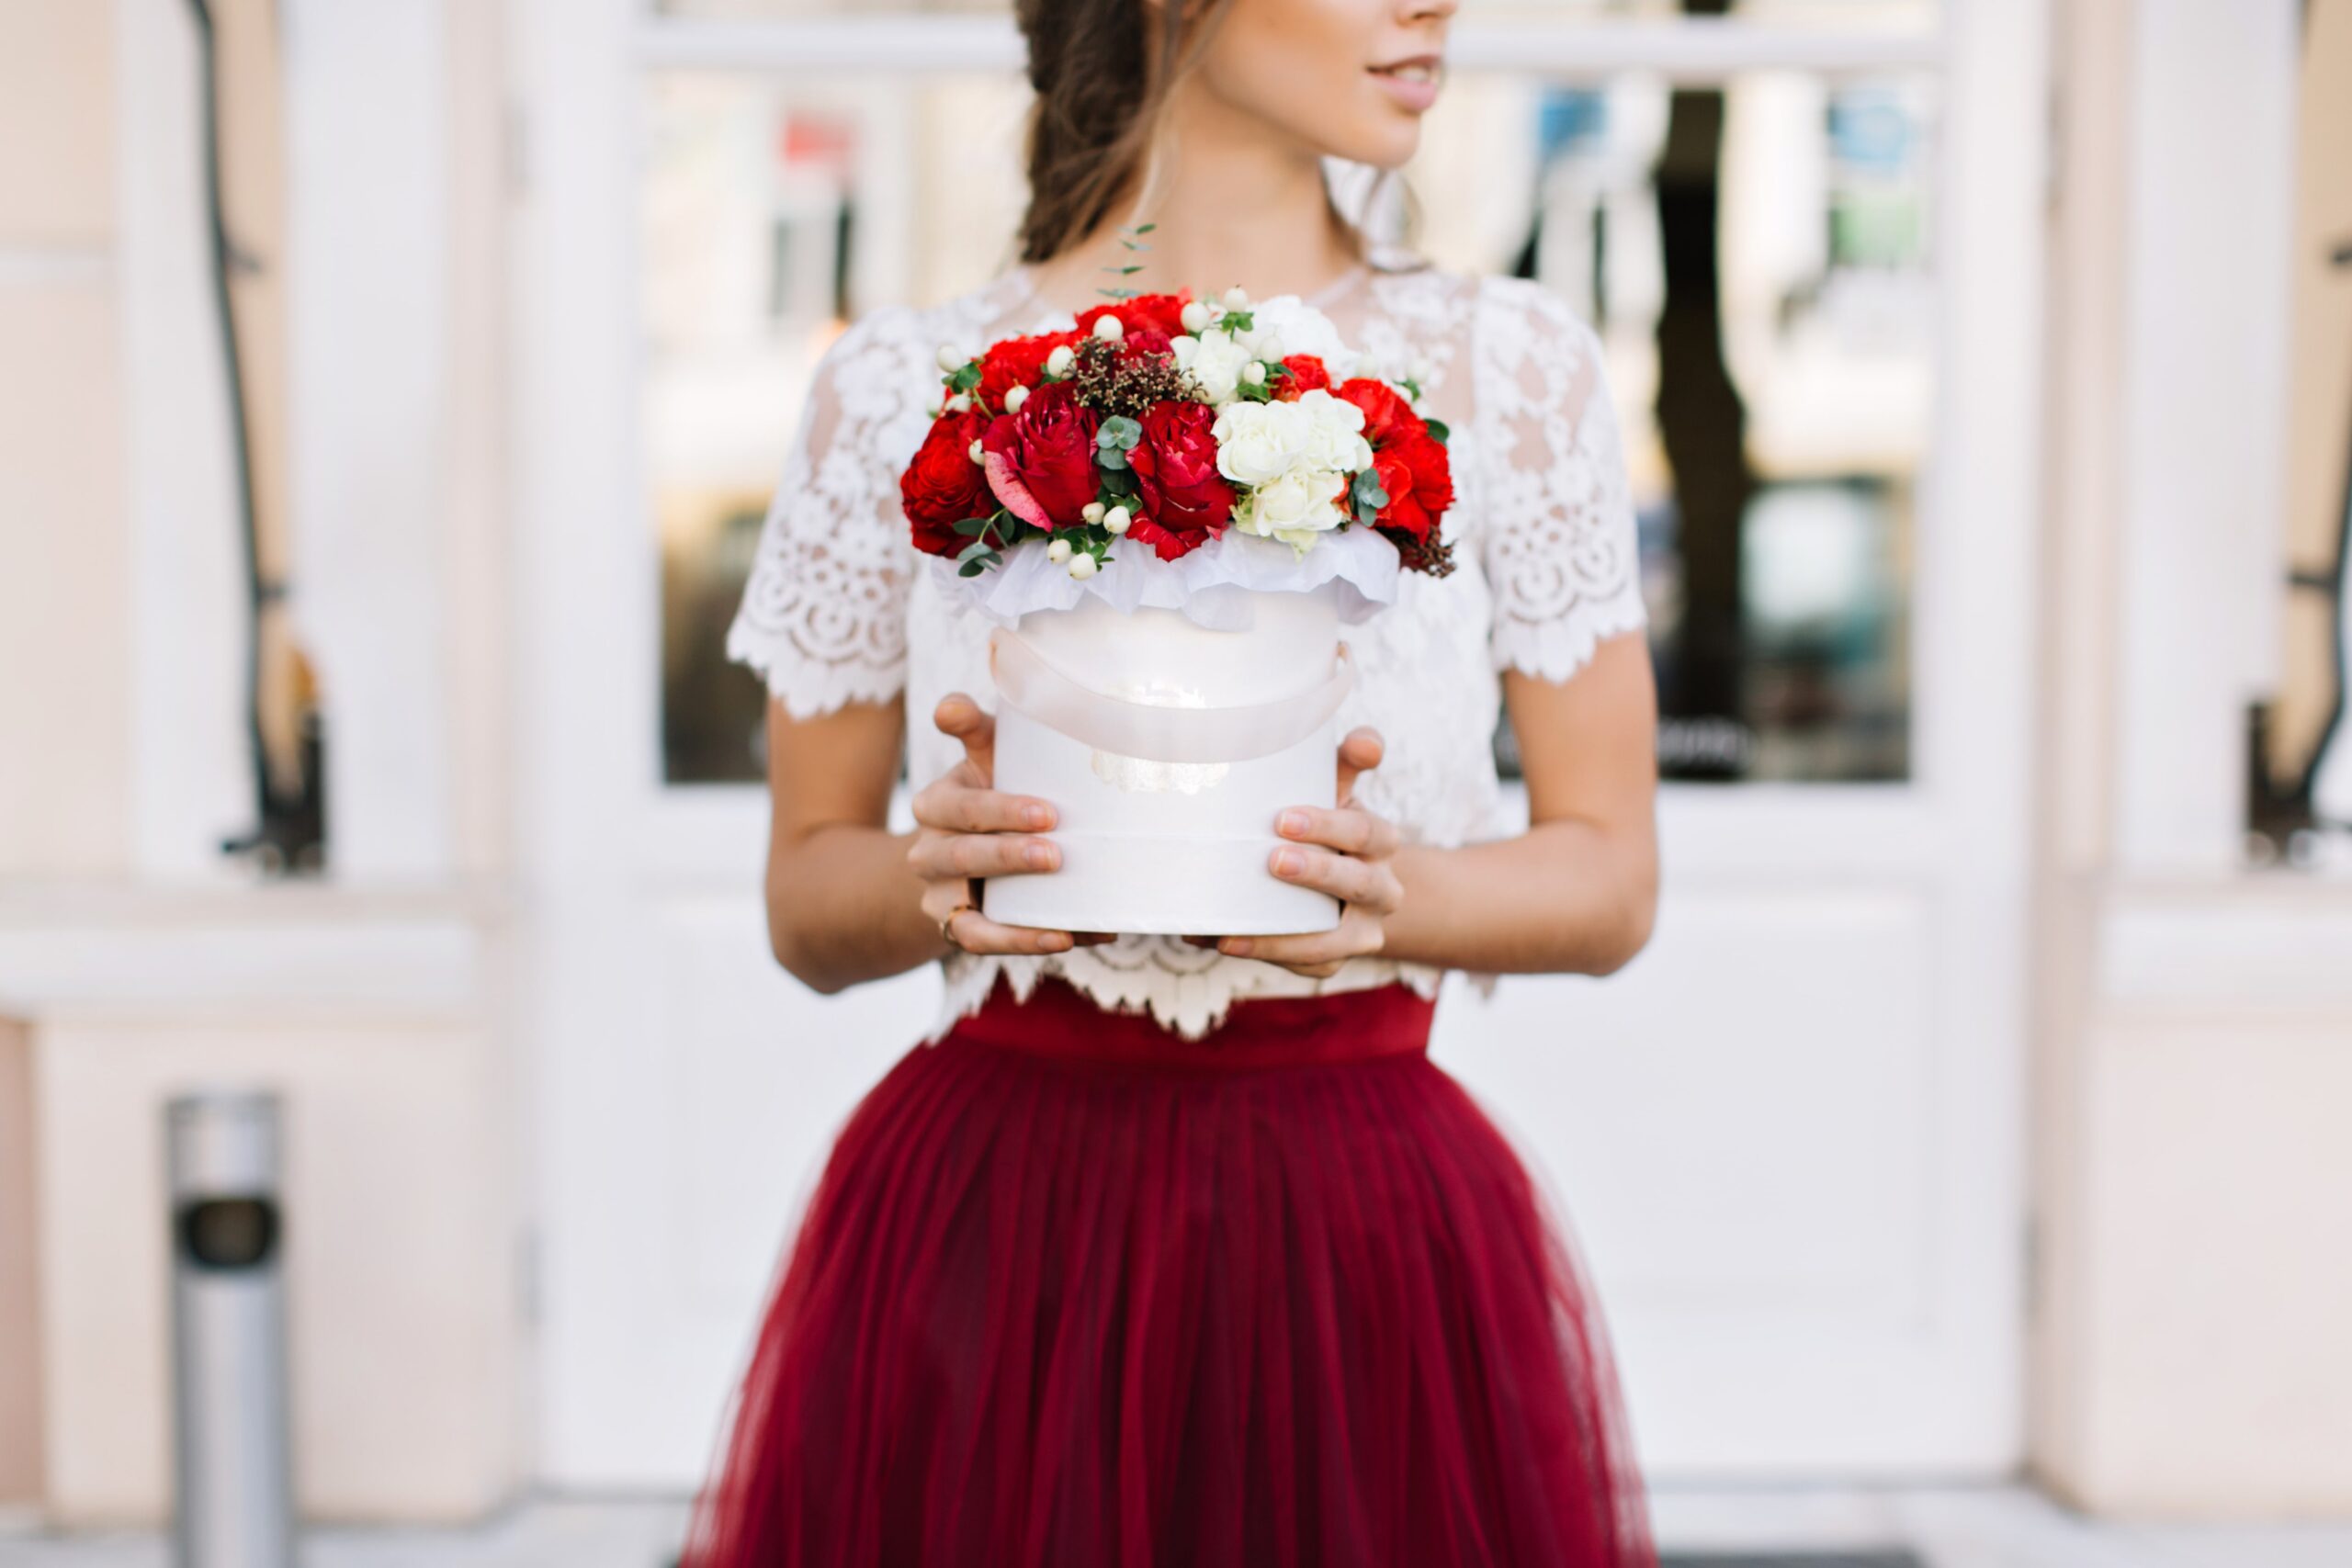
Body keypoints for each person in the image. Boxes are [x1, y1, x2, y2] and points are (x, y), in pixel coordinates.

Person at [678, 0, 1662, 1558]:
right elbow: (808, 899)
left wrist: (1394, 892)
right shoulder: (898, 387)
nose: (1437, 5)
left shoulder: (1512, 370)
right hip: (998, 1238)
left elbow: (1611, 875)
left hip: (1364, 1247)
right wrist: (940, 877)